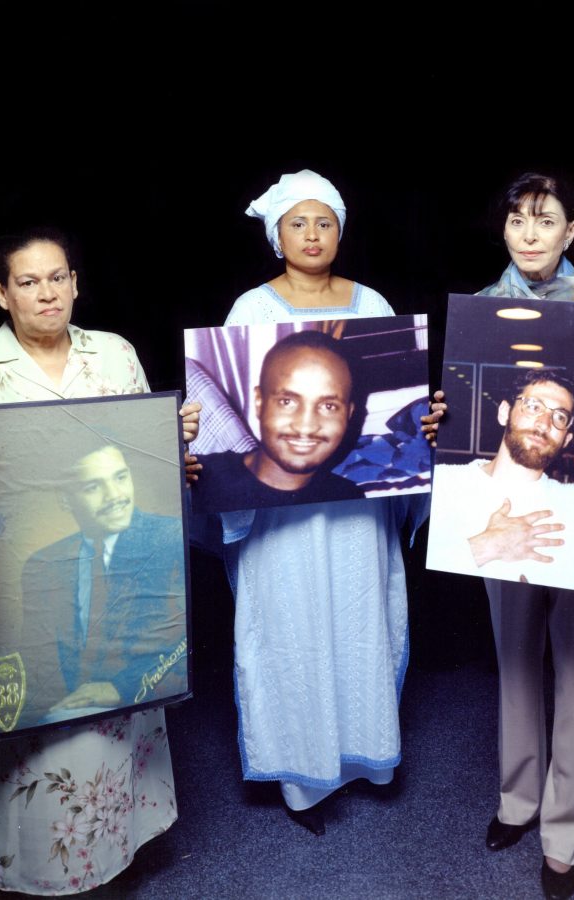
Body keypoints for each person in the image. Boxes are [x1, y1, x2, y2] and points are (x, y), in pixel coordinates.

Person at [0, 228, 199, 894]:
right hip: (6, 589)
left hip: (115, 576)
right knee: (24, 735)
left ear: (76, 283)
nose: (46, 293)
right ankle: (23, 871)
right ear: (2, 294)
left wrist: (174, 443)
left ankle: (108, 856)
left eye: (57, 277)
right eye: (28, 282)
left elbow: (147, 467)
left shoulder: (114, 355)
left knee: (107, 722)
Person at [189, 169, 442, 835]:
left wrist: (421, 428)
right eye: (297, 223)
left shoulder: (373, 304)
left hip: (357, 511)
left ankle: (367, 759)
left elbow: (393, 414)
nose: (311, 234)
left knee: (359, 617)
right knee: (290, 624)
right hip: (278, 520)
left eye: (323, 221)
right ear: (276, 236)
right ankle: (302, 778)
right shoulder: (251, 310)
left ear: (339, 232)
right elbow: (230, 423)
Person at [467, 173, 574, 900]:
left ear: (571, 232)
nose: (528, 234)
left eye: (544, 221)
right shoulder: (479, 309)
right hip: (499, 506)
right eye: (515, 221)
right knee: (513, 658)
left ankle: (566, 834)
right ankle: (519, 800)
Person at [428, 368, 574, 592]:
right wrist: (486, 546)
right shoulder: (440, 484)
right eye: (533, 406)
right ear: (505, 412)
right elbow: (398, 573)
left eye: (560, 417)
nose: (545, 424)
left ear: (566, 439)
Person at [18, 440, 187, 728]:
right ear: (65, 499)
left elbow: (186, 639)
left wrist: (122, 687)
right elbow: (36, 664)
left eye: (120, 477)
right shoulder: (42, 564)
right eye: (93, 487)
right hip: (64, 716)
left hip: (140, 706)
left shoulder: (170, 537)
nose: (115, 496)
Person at [193, 330, 365, 511]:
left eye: (328, 406)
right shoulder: (196, 480)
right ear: (260, 403)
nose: (306, 426)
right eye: (287, 402)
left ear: (348, 414)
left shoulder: (348, 499)